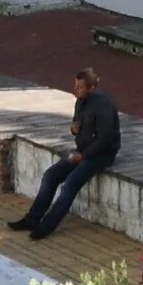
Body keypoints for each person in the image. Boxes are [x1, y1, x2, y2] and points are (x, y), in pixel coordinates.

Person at [10, 66, 118, 240]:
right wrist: (74, 129)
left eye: (80, 87)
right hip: (82, 151)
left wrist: (83, 156)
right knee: (50, 175)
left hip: (100, 155)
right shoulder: (80, 101)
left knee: (69, 185)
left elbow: (105, 140)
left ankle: (47, 226)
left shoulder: (104, 106)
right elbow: (78, 126)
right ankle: (32, 219)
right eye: (75, 86)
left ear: (92, 87)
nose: (76, 90)